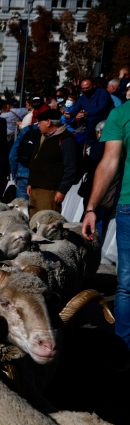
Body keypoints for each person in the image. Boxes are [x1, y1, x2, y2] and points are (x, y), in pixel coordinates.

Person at [85, 99, 130, 349]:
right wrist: (91, 207)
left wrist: (92, 207)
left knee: (126, 286)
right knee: (126, 285)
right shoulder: (121, 114)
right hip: (128, 206)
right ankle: (123, 349)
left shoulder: (120, 113)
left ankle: (123, 349)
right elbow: (109, 161)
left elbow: (110, 161)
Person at [17, 109, 80, 215]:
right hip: (35, 188)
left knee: (47, 223)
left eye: (40, 122)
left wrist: (62, 190)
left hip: (50, 191)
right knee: (33, 223)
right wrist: (31, 183)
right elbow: (36, 160)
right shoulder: (43, 137)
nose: (38, 126)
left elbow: (70, 166)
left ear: (49, 122)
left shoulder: (65, 139)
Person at [67, 78, 114, 146]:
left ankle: (89, 144)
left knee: (90, 120)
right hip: (89, 119)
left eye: (88, 88)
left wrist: (86, 114)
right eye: (83, 89)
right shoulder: (83, 97)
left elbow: (101, 108)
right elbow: (75, 110)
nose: (85, 90)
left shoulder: (102, 92)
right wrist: (69, 114)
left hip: (105, 117)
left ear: (94, 85)